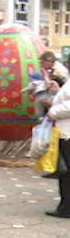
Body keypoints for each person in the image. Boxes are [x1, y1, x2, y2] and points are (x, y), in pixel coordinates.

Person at [46, 75, 70, 218]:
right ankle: (64, 206)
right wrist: (57, 91)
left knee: (66, 172)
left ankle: (66, 208)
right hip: (64, 132)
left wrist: (52, 113)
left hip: (67, 133)